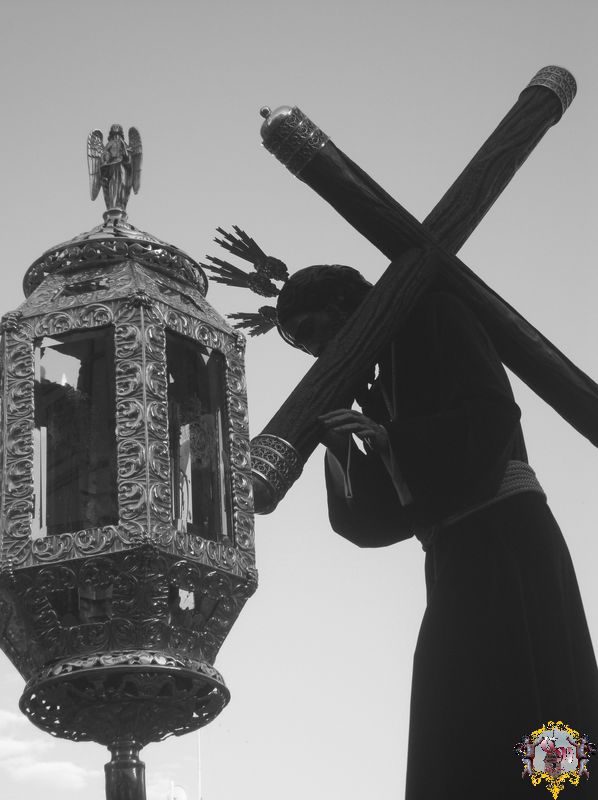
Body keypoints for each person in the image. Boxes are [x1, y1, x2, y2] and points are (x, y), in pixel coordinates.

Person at [275, 264, 598, 799]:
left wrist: (392, 441)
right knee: (457, 703)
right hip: (455, 555)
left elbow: (492, 416)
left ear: (341, 305)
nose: (313, 349)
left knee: (526, 691)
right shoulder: (379, 374)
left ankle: (556, 788)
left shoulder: (435, 314)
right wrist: (346, 450)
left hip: (507, 540)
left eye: (310, 330)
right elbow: (385, 517)